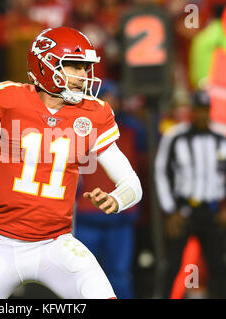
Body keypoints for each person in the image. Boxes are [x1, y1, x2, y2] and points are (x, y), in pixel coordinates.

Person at [0, 26, 142, 299]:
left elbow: (132, 183)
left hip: (56, 243)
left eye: (86, 68)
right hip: (2, 244)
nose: (84, 76)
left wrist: (117, 199)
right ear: (46, 65)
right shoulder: (9, 99)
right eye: (76, 67)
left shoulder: (93, 114)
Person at [154, 90, 226, 298]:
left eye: (205, 110)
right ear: (191, 111)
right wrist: (170, 210)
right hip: (183, 211)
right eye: (198, 110)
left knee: (218, 266)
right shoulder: (175, 136)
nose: (202, 115)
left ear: (210, 111)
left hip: (212, 211)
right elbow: (161, 172)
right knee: (172, 264)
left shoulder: (220, 138)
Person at [74, 80, 147, 299]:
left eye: (115, 98)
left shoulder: (132, 128)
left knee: (119, 276)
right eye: (106, 97)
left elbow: (149, 148)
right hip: (87, 215)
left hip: (120, 218)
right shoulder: (79, 127)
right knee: (82, 277)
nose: (110, 103)